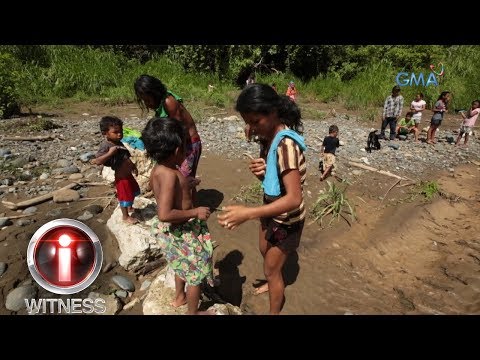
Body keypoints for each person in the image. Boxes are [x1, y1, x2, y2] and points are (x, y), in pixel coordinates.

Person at [217, 83, 306, 315]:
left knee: (271, 269)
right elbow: (275, 183)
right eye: (248, 122)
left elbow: (294, 198)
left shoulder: (286, 146)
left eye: (256, 122)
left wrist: (248, 213)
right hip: (271, 210)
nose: (251, 128)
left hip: (287, 219)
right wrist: (263, 174)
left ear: (273, 112)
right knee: (264, 250)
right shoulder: (269, 139)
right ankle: (272, 277)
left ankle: (274, 305)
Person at [142, 117, 215, 315]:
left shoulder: (160, 170)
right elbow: (165, 213)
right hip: (181, 229)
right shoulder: (169, 174)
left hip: (172, 232)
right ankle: (194, 312)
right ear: (176, 150)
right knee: (195, 274)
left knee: (181, 265)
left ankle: (179, 297)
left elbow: (161, 191)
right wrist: (195, 211)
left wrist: (185, 185)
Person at [134, 75, 202, 179]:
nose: (147, 104)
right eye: (144, 101)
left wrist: (180, 156)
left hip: (188, 145)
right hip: (178, 146)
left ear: (154, 93)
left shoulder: (169, 102)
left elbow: (180, 129)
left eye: (148, 100)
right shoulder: (161, 104)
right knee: (179, 179)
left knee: (185, 180)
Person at [91, 116, 139, 224]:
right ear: (105, 133)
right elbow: (98, 160)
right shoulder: (106, 145)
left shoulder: (119, 143)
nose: (120, 134)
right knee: (124, 196)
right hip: (121, 178)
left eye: (121, 131)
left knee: (132, 191)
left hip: (128, 174)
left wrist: (133, 167)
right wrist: (110, 153)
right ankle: (125, 217)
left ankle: (130, 208)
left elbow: (126, 158)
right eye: (115, 132)